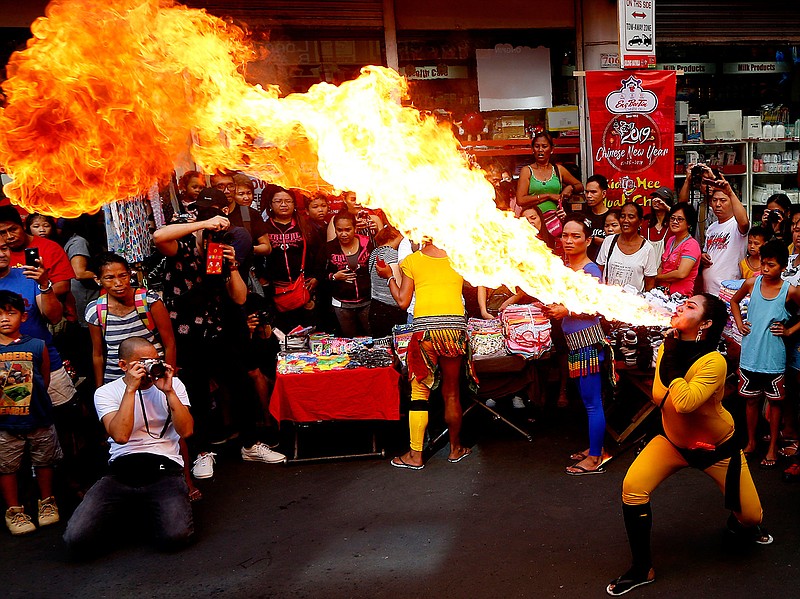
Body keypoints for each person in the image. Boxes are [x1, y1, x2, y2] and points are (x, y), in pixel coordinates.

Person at [607, 294, 771, 596]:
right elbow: (660, 396)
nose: (681, 307)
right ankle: (642, 568)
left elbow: (684, 403)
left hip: (716, 449)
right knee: (633, 487)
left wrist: (670, 359)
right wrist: (669, 356)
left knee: (750, 517)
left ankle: (741, 525)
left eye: (691, 306)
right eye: (683, 303)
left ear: (706, 324)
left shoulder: (714, 361)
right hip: (673, 442)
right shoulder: (666, 350)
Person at [154, 196, 285, 478]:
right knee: (197, 392)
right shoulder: (183, 240)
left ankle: (250, 444)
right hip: (186, 330)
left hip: (218, 327)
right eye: (210, 229)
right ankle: (201, 452)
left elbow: (238, 297)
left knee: (240, 385)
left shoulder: (224, 246)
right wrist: (201, 225)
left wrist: (233, 266)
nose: (212, 235)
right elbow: (158, 236)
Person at [63, 338, 194, 555]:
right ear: (123, 365)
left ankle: (138, 511)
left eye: (154, 360)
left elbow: (187, 431)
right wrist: (130, 390)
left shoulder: (173, 384)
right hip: (121, 471)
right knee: (76, 539)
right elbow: (121, 435)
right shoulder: (105, 392)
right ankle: (134, 511)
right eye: (142, 362)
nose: (150, 366)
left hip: (164, 469)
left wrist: (169, 392)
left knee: (175, 537)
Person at [376, 240, 474, 468]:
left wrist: (389, 276)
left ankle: (415, 455)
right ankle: (455, 449)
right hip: (453, 328)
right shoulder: (461, 256)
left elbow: (402, 301)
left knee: (419, 393)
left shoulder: (412, 260)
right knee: (451, 392)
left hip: (425, 331)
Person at [545, 215, 609, 475]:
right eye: (565, 235)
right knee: (586, 401)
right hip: (575, 343)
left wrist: (565, 310)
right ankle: (595, 448)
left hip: (588, 343)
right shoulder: (565, 269)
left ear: (588, 240)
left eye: (576, 236)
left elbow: (596, 306)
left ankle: (596, 457)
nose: (569, 241)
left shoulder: (590, 270)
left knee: (592, 402)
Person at [730, 240, 800, 469]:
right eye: (763, 263)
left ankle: (771, 448)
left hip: (774, 358)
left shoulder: (789, 291)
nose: (766, 268)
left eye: (771, 264)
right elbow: (734, 300)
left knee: (776, 403)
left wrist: (789, 330)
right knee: (750, 401)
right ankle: (751, 442)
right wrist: (740, 323)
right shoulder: (751, 283)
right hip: (751, 355)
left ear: (782, 267)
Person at [0, 290, 60, 535]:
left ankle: (47, 502)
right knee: (7, 467)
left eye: (10, 312)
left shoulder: (37, 345)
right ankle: (14, 510)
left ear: (23, 317)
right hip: (5, 423)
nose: (4, 318)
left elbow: (43, 379)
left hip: (39, 418)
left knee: (44, 462)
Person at [259, 186, 320, 333]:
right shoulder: (264, 228)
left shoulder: (305, 226)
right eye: (278, 201)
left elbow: (319, 254)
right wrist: (264, 281)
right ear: (270, 205)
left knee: (306, 332)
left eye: (288, 201)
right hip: (275, 291)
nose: (284, 205)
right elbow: (257, 257)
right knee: (281, 334)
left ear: (294, 205)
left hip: (304, 289)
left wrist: (316, 277)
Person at [699, 169, 749, 295]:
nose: (718, 204)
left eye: (723, 200)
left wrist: (730, 193)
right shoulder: (712, 227)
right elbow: (708, 252)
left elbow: (744, 223)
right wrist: (703, 256)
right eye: (714, 200)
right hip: (709, 289)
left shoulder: (736, 224)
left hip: (728, 289)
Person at [324, 212, 373, 337]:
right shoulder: (329, 248)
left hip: (366, 301)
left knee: (370, 337)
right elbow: (318, 273)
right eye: (339, 230)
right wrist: (334, 277)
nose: (344, 234)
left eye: (348, 229)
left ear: (355, 228)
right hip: (342, 304)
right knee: (348, 339)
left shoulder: (367, 244)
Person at [597, 202, 658, 292]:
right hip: (609, 301)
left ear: (640, 222)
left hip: (634, 303)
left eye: (631, 217)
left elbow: (649, 284)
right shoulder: (609, 241)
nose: (626, 220)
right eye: (622, 216)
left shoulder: (647, 249)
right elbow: (599, 272)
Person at [368, 224, 407, 337]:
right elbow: (399, 285)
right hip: (391, 310)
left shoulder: (374, 253)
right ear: (395, 236)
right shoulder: (392, 255)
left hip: (375, 306)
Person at [655, 203, 701, 296]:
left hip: (680, 295)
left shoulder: (692, 245)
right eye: (672, 218)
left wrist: (658, 277)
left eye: (680, 219)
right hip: (662, 293)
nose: (675, 222)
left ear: (688, 224)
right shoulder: (671, 240)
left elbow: (681, 273)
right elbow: (663, 265)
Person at [642, 186, 675, 259]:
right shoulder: (646, 223)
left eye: (661, 199)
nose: (657, 201)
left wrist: (667, 208)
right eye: (655, 198)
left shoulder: (673, 224)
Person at [583, 174, 610, 261]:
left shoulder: (612, 217)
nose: (589, 196)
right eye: (587, 192)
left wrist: (599, 241)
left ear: (604, 194)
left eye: (593, 192)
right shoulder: (583, 217)